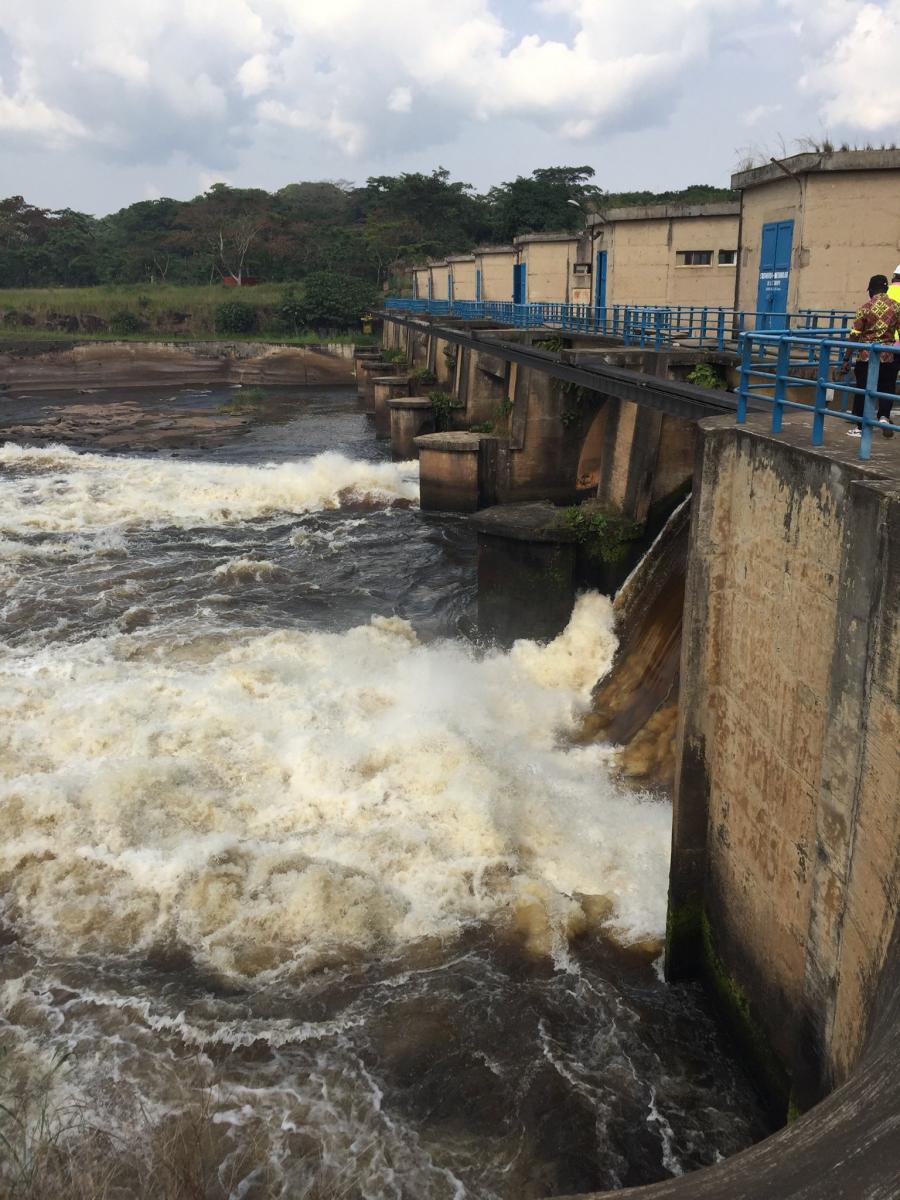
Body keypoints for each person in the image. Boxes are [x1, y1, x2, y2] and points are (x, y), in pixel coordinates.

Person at [839, 274, 900, 438]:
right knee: (887, 387)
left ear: (871, 290)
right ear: (886, 289)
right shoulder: (896, 307)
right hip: (888, 355)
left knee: (863, 389)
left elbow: (854, 334)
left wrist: (846, 358)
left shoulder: (865, 308)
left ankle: (861, 427)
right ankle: (884, 418)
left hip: (866, 356)